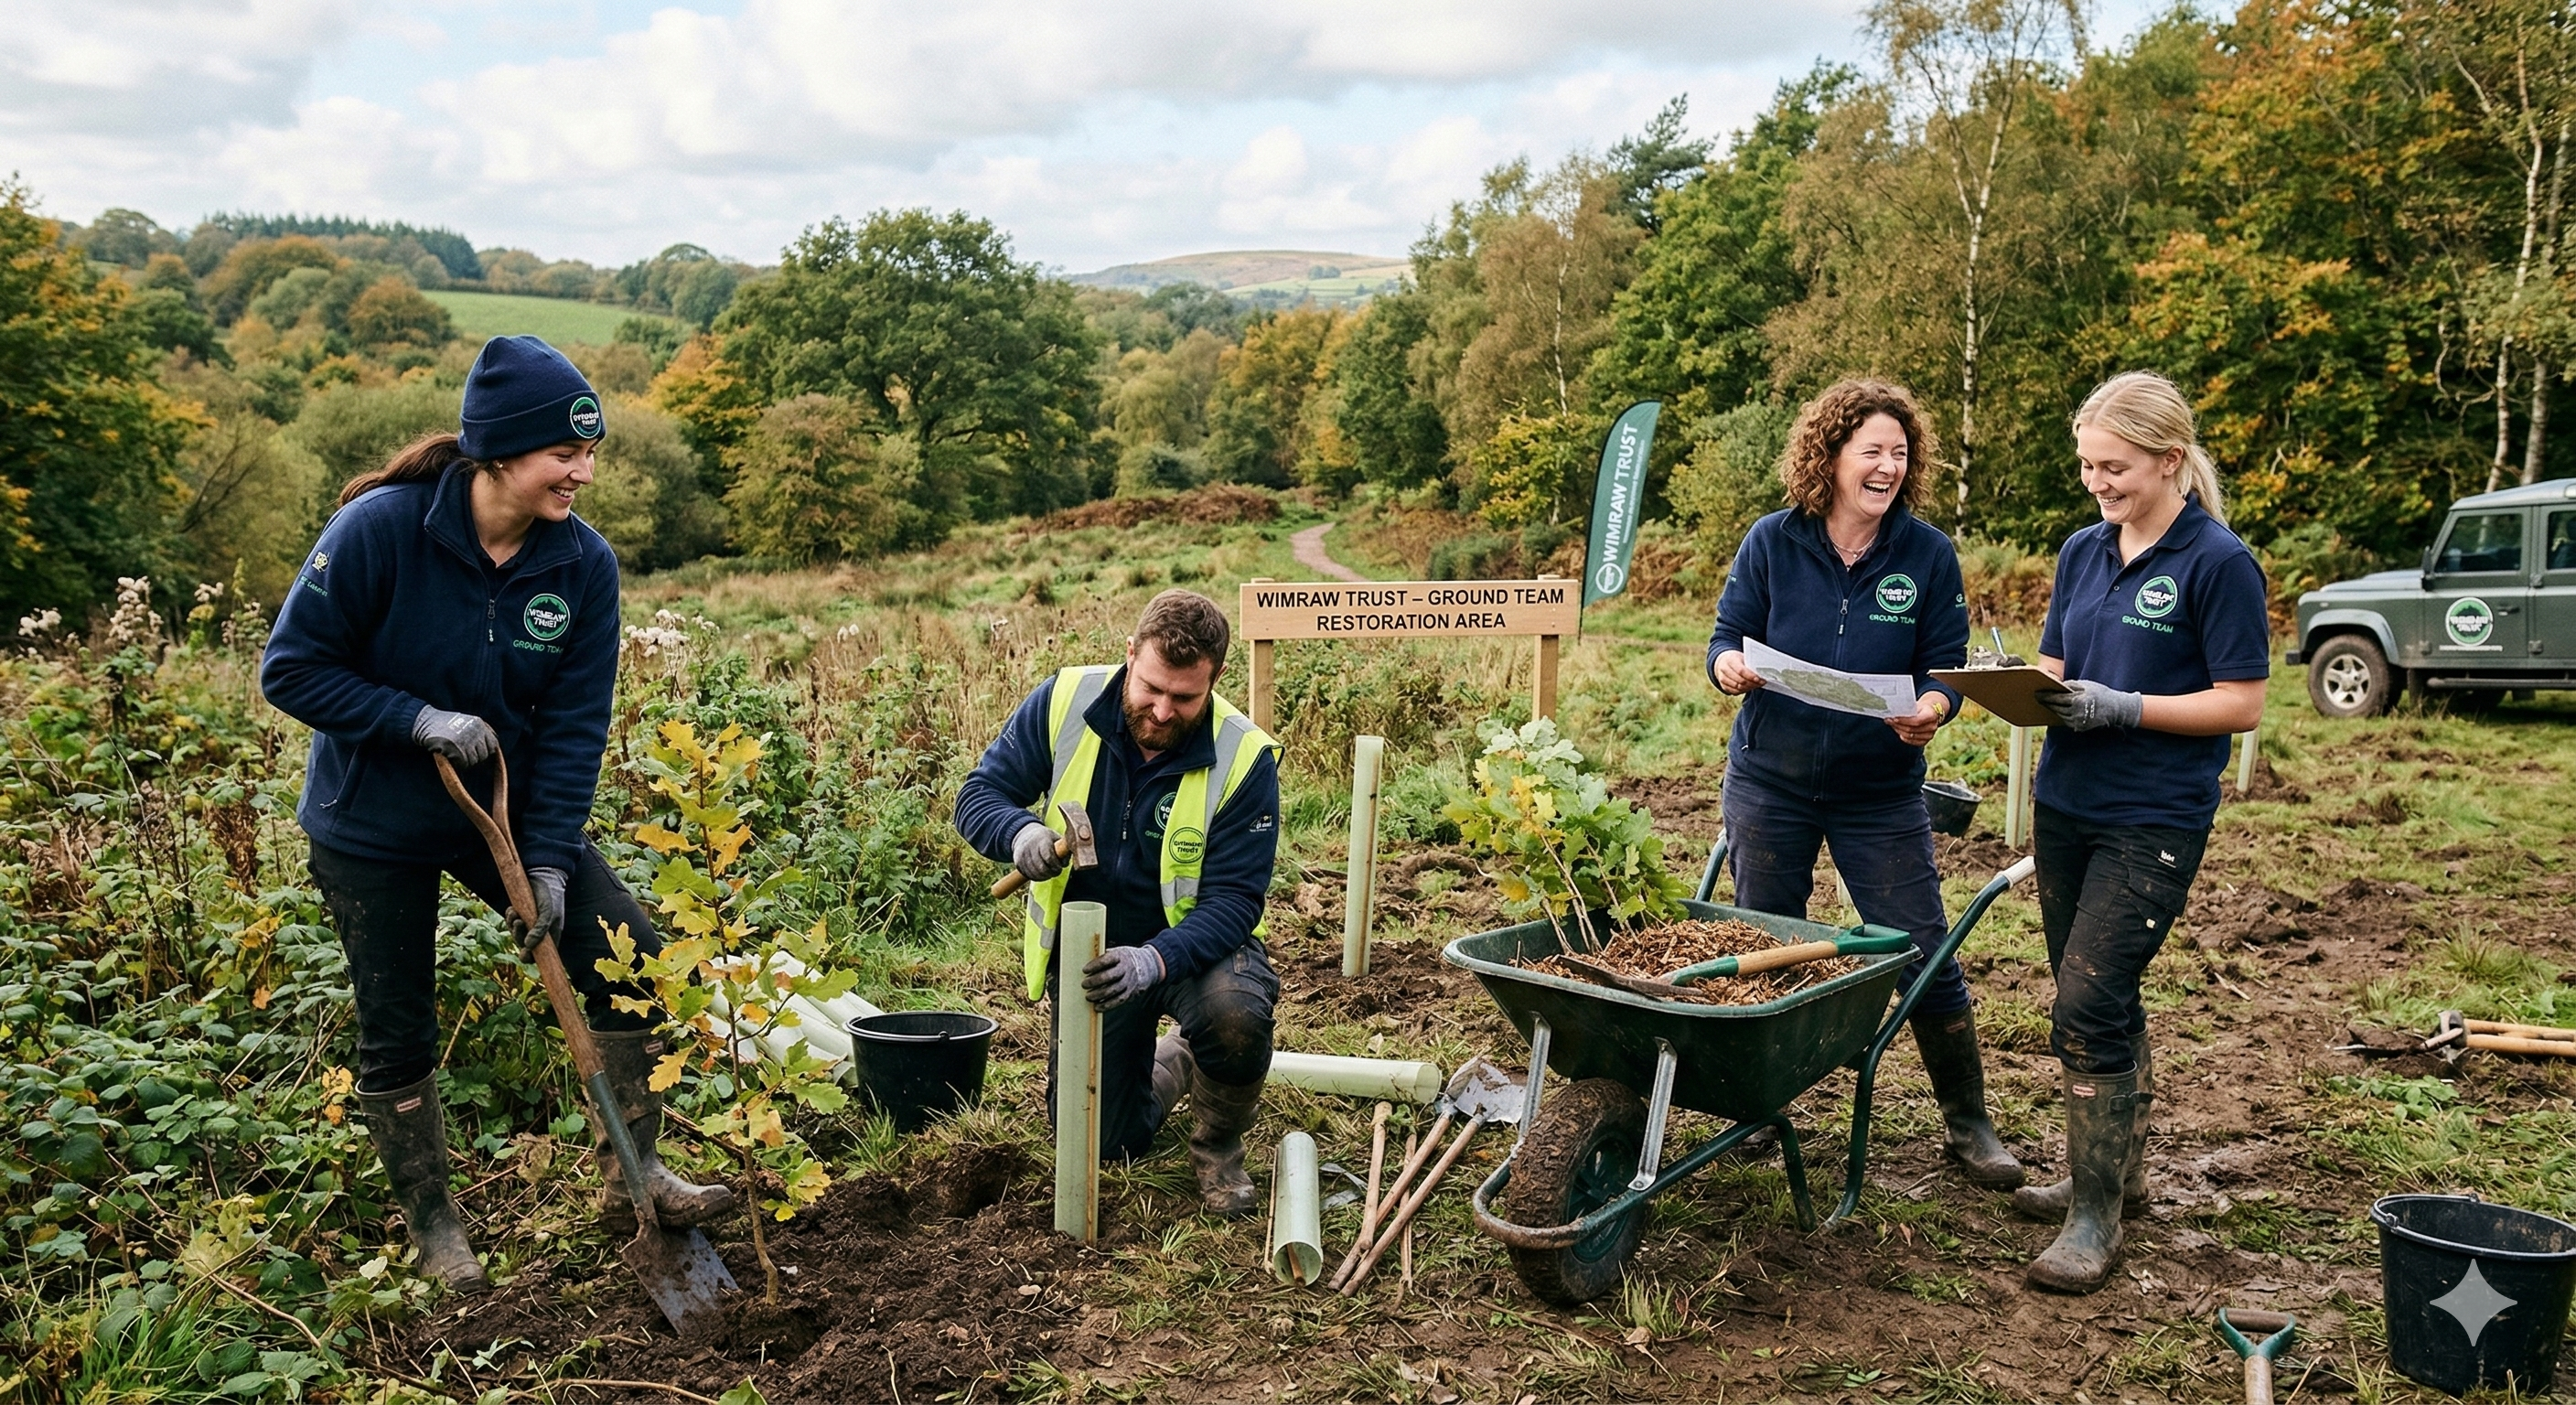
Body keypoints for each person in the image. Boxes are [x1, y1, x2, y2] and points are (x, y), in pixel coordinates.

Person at [261, 337, 735, 1292]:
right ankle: (436, 1230)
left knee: (633, 965)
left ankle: (636, 1175)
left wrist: (549, 860)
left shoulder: (581, 565)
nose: (584, 474)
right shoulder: (380, 530)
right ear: (499, 452)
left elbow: (572, 729)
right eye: (564, 454)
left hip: (504, 815)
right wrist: (414, 719)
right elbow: (292, 669)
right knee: (397, 1023)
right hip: (372, 823)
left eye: (590, 454)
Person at [1706, 380, 2022, 1190]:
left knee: (1921, 947)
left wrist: (1933, 708)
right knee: (1765, 945)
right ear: (1831, 456)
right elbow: (1723, 637)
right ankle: (1757, 1108)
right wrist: (1729, 666)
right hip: (1770, 782)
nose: (1888, 466)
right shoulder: (1773, 540)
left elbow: (1944, 667)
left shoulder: (1927, 554)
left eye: (1900, 453)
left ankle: (1969, 1124)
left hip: (1879, 791)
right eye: (1872, 450)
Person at [2014, 371, 2269, 1293]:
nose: (2097, 483)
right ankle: (2114, 1174)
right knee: (2095, 993)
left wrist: (2124, 706)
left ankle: (2095, 1219)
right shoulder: (2082, 550)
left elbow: (2239, 703)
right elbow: (2055, 665)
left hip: (2151, 817)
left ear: (2169, 460)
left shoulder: (2218, 562)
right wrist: (2016, 685)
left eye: (2113, 467)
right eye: (2087, 466)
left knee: (2084, 1004)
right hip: (2065, 805)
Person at [952, 591, 1282, 1217]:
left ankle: (1218, 1148)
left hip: (1192, 954)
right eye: (1151, 688)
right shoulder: (1065, 701)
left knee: (1234, 1016)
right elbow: (979, 795)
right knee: (1103, 1141)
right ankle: (1179, 1057)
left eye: (1184, 697)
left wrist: (1153, 960)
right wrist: (1018, 833)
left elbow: (1235, 900)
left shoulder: (1244, 756)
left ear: (1215, 678)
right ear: (1130, 654)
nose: (1162, 710)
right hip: (1095, 959)